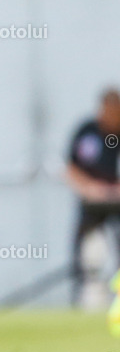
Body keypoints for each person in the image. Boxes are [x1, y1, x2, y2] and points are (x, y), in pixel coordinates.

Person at [66, 88, 120, 306]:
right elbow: (71, 167)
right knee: (88, 250)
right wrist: (89, 188)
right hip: (92, 204)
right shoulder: (87, 131)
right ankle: (87, 299)